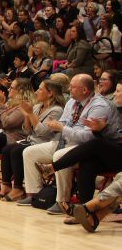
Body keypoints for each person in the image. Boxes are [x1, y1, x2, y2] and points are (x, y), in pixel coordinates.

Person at [19, 74, 111, 213]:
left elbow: (88, 137)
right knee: (29, 152)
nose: (69, 89)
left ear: (85, 90)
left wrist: (62, 128)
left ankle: (62, 201)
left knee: (59, 156)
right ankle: (35, 195)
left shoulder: (98, 106)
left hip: (82, 148)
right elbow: (63, 122)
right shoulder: (71, 102)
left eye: (73, 87)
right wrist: (55, 125)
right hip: (64, 141)